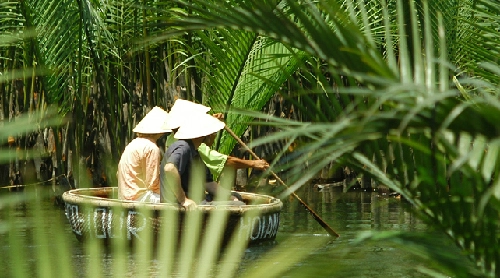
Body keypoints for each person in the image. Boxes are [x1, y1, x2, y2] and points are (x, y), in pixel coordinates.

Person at [166, 99, 269, 181]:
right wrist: (254, 164)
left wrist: (211, 125)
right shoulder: (188, 144)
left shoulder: (172, 138)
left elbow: (207, 143)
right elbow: (225, 162)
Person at [160, 113, 243, 208]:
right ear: (205, 135)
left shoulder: (195, 152)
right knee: (239, 205)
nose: (214, 136)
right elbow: (169, 168)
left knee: (237, 197)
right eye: (213, 133)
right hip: (182, 204)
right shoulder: (183, 147)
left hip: (198, 200)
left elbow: (208, 183)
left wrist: (229, 196)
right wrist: (183, 200)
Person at [117, 107, 171, 203]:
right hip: (139, 198)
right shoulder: (151, 148)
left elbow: (118, 174)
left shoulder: (133, 143)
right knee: (176, 200)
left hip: (125, 196)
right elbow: (153, 183)